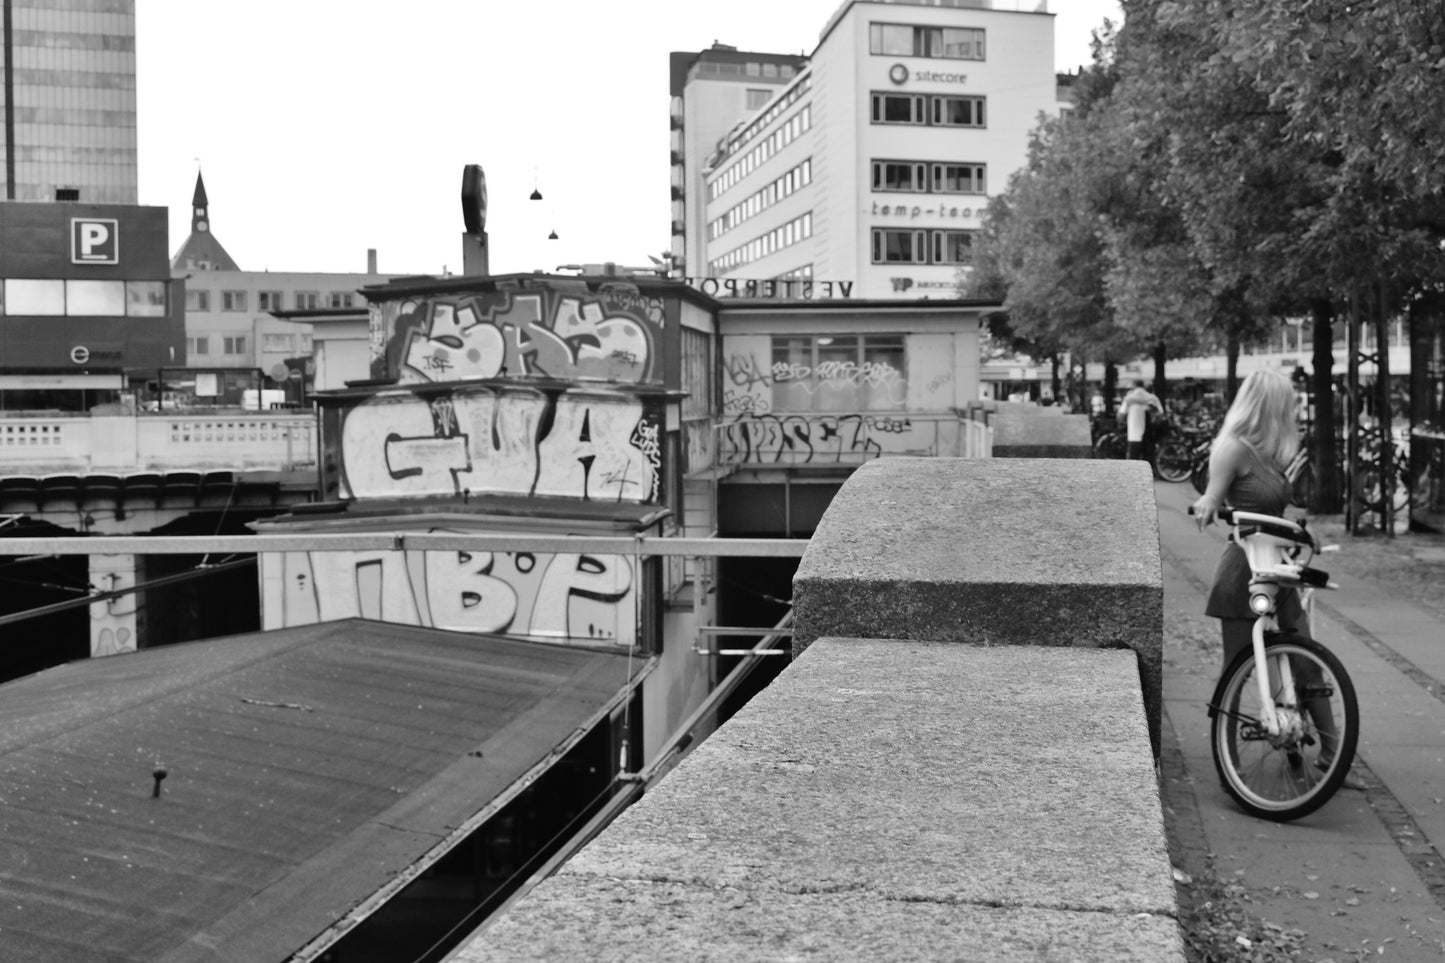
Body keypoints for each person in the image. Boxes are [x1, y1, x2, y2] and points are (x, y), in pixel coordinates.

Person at [1191, 369, 1364, 790]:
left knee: (1306, 657)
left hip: (1278, 567)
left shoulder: (1270, 451)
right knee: (1237, 666)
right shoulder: (1233, 448)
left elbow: (1274, 512)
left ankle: (1331, 755)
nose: (1293, 408)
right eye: (1287, 401)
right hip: (1244, 569)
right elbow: (1214, 495)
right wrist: (1206, 505)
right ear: (1269, 403)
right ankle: (1229, 762)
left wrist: (1302, 533)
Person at [1121, 380, 1163, 460]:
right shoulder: (1153, 398)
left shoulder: (1129, 399)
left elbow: (1120, 416)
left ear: (1134, 386)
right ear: (1143, 386)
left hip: (1133, 435)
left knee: (1133, 462)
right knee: (1148, 462)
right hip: (1150, 436)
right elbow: (1161, 415)